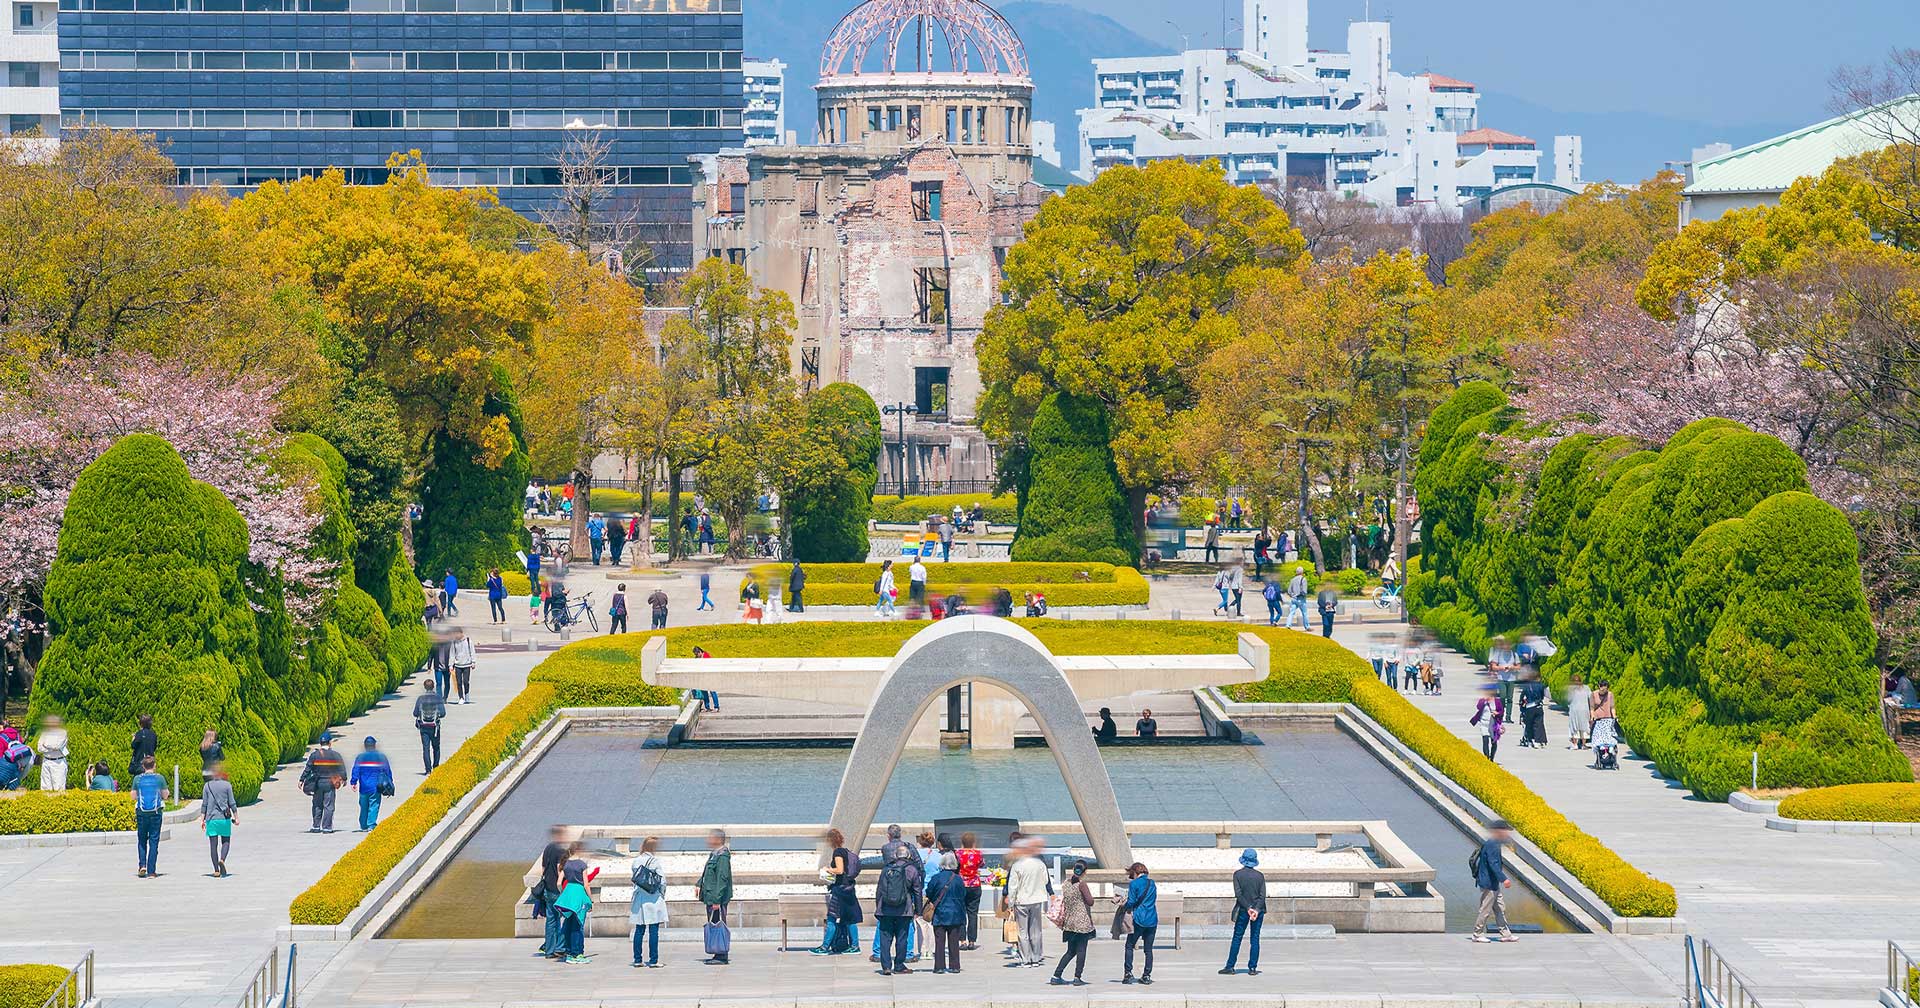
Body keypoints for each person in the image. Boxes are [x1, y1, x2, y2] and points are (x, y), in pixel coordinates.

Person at [873, 842, 924, 976]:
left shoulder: (886, 869)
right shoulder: (912, 869)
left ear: (896, 855)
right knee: (902, 938)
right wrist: (919, 910)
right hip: (904, 909)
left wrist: (878, 907)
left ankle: (886, 966)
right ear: (908, 855)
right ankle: (899, 965)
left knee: (885, 938)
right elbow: (917, 891)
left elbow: (879, 890)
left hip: (885, 909)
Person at [813, 828, 862, 955]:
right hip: (848, 889)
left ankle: (824, 947)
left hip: (840, 890)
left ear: (830, 840)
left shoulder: (838, 852)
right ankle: (855, 946)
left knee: (832, 918)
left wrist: (828, 869)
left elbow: (840, 870)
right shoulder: (845, 851)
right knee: (850, 919)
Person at [1048, 859, 1096, 986]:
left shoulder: (1066, 883)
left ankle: (1056, 975)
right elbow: (1090, 901)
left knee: (1070, 951)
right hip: (1081, 922)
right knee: (1081, 950)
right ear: (1084, 871)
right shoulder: (1082, 885)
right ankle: (1077, 977)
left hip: (1069, 922)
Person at [1004, 835, 1050, 967]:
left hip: (1022, 901)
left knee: (1022, 931)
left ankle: (1025, 958)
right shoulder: (1040, 864)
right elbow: (1046, 881)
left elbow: (1013, 887)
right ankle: (1036, 958)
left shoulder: (1017, 865)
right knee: (1035, 930)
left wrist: (1011, 904)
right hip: (1037, 900)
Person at [1471, 820, 1518, 943]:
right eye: (1506, 831)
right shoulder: (1492, 844)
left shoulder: (1495, 843)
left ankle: (1506, 934)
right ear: (1499, 831)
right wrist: (1504, 879)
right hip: (1488, 883)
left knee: (1500, 908)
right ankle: (1477, 934)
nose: (1507, 834)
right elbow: (1493, 864)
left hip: (1493, 883)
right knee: (1485, 909)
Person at [1221, 848, 1265, 975]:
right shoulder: (1260, 876)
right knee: (1255, 938)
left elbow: (1239, 895)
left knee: (1237, 937)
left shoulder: (1237, 874)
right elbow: (1262, 896)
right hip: (1258, 911)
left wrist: (1248, 908)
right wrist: (1255, 909)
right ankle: (1252, 968)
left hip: (1243, 910)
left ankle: (1230, 966)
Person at [554, 841, 599, 964]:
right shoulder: (581, 864)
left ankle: (568, 952)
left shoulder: (566, 864)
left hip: (568, 893)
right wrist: (590, 900)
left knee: (569, 923)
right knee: (578, 925)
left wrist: (563, 893)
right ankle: (577, 953)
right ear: (579, 851)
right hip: (579, 894)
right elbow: (586, 884)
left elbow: (559, 882)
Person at [629, 836, 668, 968]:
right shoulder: (655, 861)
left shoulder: (636, 861)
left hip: (639, 898)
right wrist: (662, 894)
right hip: (653, 898)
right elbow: (662, 881)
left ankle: (637, 959)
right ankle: (653, 960)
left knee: (639, 930)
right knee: (653, 931)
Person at [926, 851, 968, 974]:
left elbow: (929, 892)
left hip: (940, 913)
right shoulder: (958, 879)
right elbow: (963, 895)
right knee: (953, 941)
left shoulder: (936, 878)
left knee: (939, 941)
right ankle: (954, 966)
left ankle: (939, 966)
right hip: (955, 913)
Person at [698, 829, 733, 964]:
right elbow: (708, 873)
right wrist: (699, 884)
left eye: (710, 838)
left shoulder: (722, 856)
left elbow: (722, 878)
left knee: (719, 924)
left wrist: (717, 899)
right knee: (714, 924)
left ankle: (721, 954)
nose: (708, 840)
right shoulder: (714, 854)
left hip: (717, 897)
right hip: (710, 896)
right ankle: (716, 952)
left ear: (718, 839)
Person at [1119, 861, 1158, 984]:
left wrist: (1123, 904)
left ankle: (1128, 973)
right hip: (1152, 919)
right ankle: (1146, 975)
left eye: (1132, 873)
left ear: (1135, 872)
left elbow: (1131, 901)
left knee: (1129, 945)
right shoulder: (1152, 883)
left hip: (1139, 919)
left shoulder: (1134, 884)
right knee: (1148, 949)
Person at [300, 732, 345, 833]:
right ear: (329, 743)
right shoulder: (335, 755)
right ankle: (327, 827)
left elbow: (308, 768)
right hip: (330, 783)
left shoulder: (314, 755)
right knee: (328, 805)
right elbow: (341, 769)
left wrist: (301, 780)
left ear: (320, 743)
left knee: (317, 804)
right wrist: (344, 779)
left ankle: (316, 826)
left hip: (317, 783)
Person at [132, 755, 169, 878]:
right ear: (154, 765)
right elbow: (165, 795)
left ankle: (142, 865)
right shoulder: (160, 778)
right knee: (154, 841)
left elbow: (133, 796)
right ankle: (152, 871)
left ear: (143, 766)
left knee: (142, 840)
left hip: (141, 813)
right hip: (156, 813)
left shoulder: (137, 779)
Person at [536, 826, 570, 958]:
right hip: (557, 890)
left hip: (547, 889)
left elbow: (543, 867)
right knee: (565, 918)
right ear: (560, 836)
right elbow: (560, 870)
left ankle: (549, 950)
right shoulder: (561, 851)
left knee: (551, 921)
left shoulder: (548, 848)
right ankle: (560, 948)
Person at [350, 736, 393, 832]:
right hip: (376, 786)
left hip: (363, 787)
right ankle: (371, 825)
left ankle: (363, 824)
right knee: (374, 805)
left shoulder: (360, 757)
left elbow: (356, 770)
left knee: (363, 805)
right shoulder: (381, 757)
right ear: (374, 745)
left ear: (365, 746)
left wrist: (353, 782)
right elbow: (387, 770)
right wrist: (390, 782)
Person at [202, 765, 237, 877]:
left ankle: (216, 870)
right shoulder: (227, 785)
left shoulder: (207, 786)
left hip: (211, 819)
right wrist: (236, 817)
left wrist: (202, 819)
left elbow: (204, 804)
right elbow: (232, 803)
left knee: (213, 845)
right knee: (226, 841)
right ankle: (222, 859)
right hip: (224, 819)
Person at [956, 831, 985, 949]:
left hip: (961, 884)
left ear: (962, 842)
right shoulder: (978, 853)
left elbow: (954, 866)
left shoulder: (957, 853)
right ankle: (972, 941)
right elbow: (982, 864)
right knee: (973, 913)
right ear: (973, 842)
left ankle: (962, 940)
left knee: (961, 912)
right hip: (974, 884)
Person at [414, 680, 446, 774]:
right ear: (433, 687)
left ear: (425, 687)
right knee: (436, 747)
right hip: (435, 727)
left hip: (423, 727)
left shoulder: (420, 698)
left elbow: (415, 713)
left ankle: (428, 770)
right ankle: (436, 767)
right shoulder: (438, 698)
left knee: (426, 748)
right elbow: (443, 713)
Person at [1590, 682, 1620, 770]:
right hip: (1598, 720)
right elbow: (1592, 708)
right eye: (1602, 688)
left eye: (1606, 688)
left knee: (1610, 740)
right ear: (1599, 686)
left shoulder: (1610, 695)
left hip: (1608, 720)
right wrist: (1592, 717)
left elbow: (1612, 707)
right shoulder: (1593, 695)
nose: (1604, 690)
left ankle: (1611, 754)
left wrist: (1614, 717)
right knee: (1598, 741)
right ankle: (1600, 757)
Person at [36, 716, 68, 793]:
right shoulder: (45, 733)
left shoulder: (63, 733)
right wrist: (51, 748)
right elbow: (40, 748)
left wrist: (46, 745)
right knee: (45, 788)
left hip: (58, 763)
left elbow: (57, 746)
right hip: (46, 761)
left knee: (59, 788)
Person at [1471, 693, 1505, 761]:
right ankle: (1486, 758)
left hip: (1493, 725)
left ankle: (1491, 758)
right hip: (1484, 724)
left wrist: (1497, 713)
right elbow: (1478, 707)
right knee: (1485, 740)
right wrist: (1485, 701)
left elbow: (1501, 711)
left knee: (1494, 742)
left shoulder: (1497, 701)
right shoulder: (1483, 700)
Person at [1518, 676, 1548, 748]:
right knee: (1538, 724)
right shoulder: (1540, 685)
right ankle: (1538, 740)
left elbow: (1522, 697)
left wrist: (1521, 703)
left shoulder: (1527, 686)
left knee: (1529, 724)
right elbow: (1542, 695)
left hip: (1529, 707)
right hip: (1538, 707)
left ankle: (1530, 740)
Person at [1565, 673, 1592, 749]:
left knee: (1574, 727)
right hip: (1585, 710)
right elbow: (1590, 697)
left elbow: (1568, 700)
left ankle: (1575, 744)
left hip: (1574, 710)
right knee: (1585, 727)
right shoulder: (1586, 688)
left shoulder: (1570, 689)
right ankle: (1583, 745)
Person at [450, 627, 476, 705]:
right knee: (459, 682)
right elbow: (452, 654)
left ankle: (467, 695)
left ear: (461, 633)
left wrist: (473, 662)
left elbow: (472, 651)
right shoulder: (454, 642)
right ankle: (461, 697)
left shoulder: (468, 641)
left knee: (466, 681)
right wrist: (451, 665)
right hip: (458, 665)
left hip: (467, 664)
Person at [129, 713, 157, 778]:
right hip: (151, 762)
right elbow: (154, 747)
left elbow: (133, 746)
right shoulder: (153, 734)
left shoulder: (139, 734)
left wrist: (133, 738)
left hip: (140, 763)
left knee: (138, 782)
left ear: (140, 723)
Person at [1286, 566, 1310, 630]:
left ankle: (1288, 625)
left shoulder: (1292, 579)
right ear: (1302, 572)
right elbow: (1304, 591)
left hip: (1294, 598)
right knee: (1304, 613)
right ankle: (1307, 626)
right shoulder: (1303, 579)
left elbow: (1289, 591)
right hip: (1301, 598)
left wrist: (1292, 595)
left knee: (1291, 612)